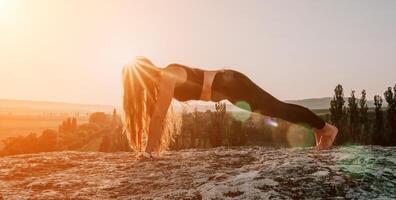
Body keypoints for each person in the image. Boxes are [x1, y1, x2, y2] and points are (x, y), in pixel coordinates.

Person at [122, 57, 338, 160]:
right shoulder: (163, 79)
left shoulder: (166, 75)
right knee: (275, 109)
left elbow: (159, 116)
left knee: (276, 108)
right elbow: (156, 114)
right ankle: (319, 129)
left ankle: (326, 128)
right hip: (230, 91)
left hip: (232, 84)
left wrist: (148, 153)